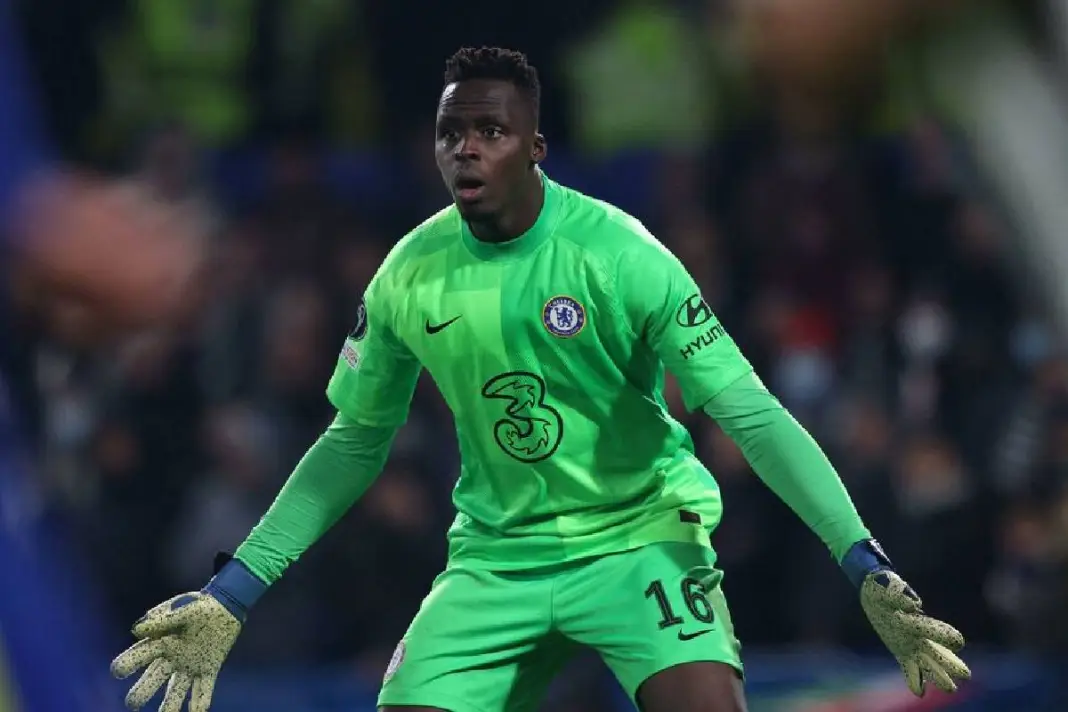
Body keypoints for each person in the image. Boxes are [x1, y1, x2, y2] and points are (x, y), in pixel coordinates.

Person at [111, 47, 970, 712]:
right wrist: (234, 590)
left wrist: (861, 562)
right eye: (452, 134)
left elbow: (748, 411)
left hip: (639, 537)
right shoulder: (410, 272)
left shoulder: (619, 254)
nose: (467, 150)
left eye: (492, 131)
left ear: (536, 148)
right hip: (496, 559)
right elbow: (353, 443)